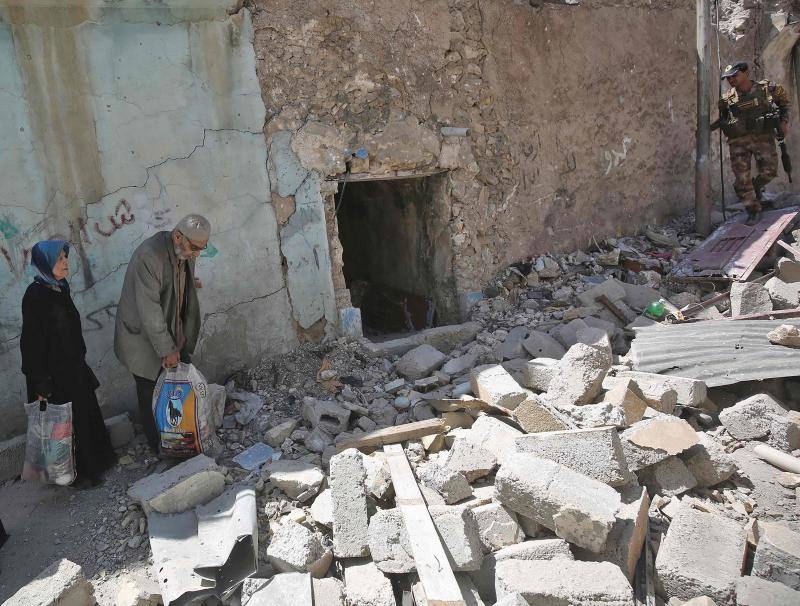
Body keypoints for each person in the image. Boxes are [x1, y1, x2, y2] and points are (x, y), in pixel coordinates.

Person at [20, 240, 116, 487]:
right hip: (54, 377)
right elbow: (31, 343)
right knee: (66, 427)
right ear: (45, 264)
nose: (65, 263)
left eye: (65, 257)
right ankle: (76, 476)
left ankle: (96, 465)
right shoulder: (35, 296)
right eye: (59, 259)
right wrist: (40, 383)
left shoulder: (59, 288)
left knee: (84, 419)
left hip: (74, 370)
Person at [114, 214, 210, 453]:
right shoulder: (149, 256)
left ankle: (179, 438)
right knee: (149, 391)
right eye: (195, 248)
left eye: (202, 249)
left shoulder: (184, 252)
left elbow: (175, 284)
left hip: (169, 331)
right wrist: (167, 349)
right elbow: (149, 308)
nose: (197, 254)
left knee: (174, 392)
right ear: (178, 237)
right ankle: (159, 446)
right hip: (142, 337)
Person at [712, 61, 790, 225]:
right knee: (742, 179)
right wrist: (709, 128)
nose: (731, 80)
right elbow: (723, 119)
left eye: (735, 75)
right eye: (728, 78)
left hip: (763, 137)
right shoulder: (726, 99)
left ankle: (753, 189)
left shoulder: (767, 89)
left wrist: (784, 121)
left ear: (746, 72)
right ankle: (753, 210)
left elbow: (784, 102)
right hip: (738, 141)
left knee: (769, 171)